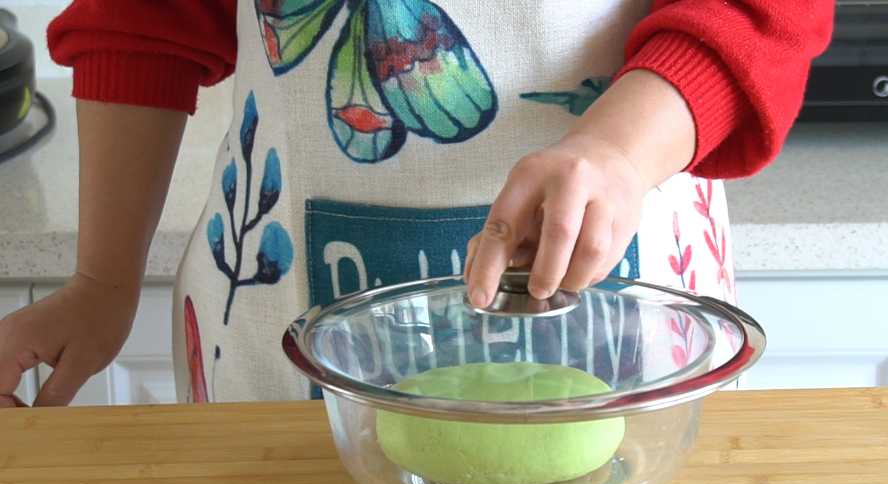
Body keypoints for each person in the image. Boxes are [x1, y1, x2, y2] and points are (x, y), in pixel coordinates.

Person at [0, 0, 833, 406]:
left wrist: (616, 149)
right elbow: (140, 21)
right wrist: (102, 283)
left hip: (636, 324)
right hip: (270, 350)